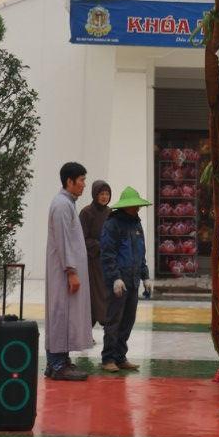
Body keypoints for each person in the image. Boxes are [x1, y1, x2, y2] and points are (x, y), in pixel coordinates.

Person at [45, 161, 93, 381]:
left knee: (62, 315)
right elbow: (63, 240)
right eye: (81, 180)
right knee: (60, 315)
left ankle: (57, 361)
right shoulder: (62, 205)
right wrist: (71, 271)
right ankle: (58, 364)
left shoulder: (67, 203)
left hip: (65, 272)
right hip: (64, 274)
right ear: (69, 181)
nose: (84, 184)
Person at [100, 186, 152, 372]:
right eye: (134, 205)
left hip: (133, 281)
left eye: (138, 206)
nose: (137, 208)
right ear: (125, 206)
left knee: (128, 321)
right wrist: (115, 277)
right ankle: (108, 358)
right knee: (114, 321)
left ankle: (120, 356)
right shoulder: (112, 225)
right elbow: (108, 254)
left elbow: (141, 254)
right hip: (118, 283)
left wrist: (145, 276)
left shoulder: (137, 224)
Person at [79, 179, 112, 329]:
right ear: (95, 194)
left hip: (106, 261)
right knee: (91, 295)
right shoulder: (86, 213)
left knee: (106, 293)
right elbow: (81, 238)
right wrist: (99, 245)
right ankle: (88, 329)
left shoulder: (110, 213)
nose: (105, 197)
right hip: (91, 261)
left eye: (107, 194)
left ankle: (107, 324)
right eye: (101, 193)